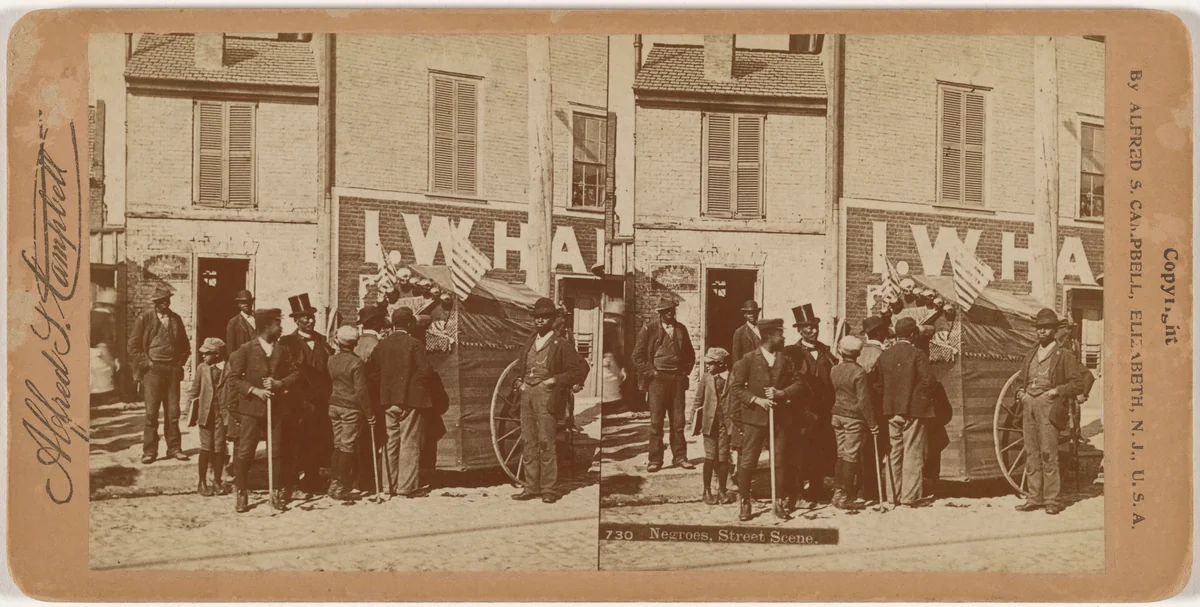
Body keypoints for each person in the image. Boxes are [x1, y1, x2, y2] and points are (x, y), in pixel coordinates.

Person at [510, 298, 590, 503]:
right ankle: (531, 487)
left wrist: (555, 380)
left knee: (546, 442)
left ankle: (548, 489)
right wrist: (519, 383)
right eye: (537, 317)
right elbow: (520, 367)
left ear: (553, 320)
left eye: (545, 317)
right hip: (527, 395)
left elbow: (580, 368)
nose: (540, 321)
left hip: (547, 396)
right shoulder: (529, 342)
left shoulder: (560, 344)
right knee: (528, 442)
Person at [1013, 309, 1087, 515]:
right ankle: (1034, 497)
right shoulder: (1030, 355)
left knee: (1048, 453)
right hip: (1029, 406)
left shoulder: (1064, 355)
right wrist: (1021, 394)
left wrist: (1056, 391)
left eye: (1046, 328)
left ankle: (1052, 500)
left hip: (1049, 406)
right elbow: (1019, 382)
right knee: (1031, 452)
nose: (1041, 331)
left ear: (1055, 331)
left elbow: (1078, 384)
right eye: (1039, 328)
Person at [730, 319, 806, 521]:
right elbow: (736, 388)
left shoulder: (786, 360)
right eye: (781, 334)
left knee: (779, 461)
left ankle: (778, 500)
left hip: (780, 420)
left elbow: (799, 384)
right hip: (754, 419)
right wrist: (757, 400)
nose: (783, 338)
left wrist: (781, 393)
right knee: (748, 461)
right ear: (770, 337)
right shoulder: (747, 360)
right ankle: (745, 501)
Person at [228, 308, 300, 513]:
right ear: (267, 326)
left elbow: (295, 374)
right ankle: (241, 492)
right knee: (246, 450)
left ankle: (275, 491)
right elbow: (234, 379)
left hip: (276, 410)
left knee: (276, 451)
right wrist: (254, 390)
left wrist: (279, 383)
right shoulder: (246, 349)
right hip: (251, 410)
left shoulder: (283, 350)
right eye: (278, 324)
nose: (281, 328)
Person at [367, 307, 435, 497]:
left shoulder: (381, 345)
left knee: (390, 442)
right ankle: (406, 487)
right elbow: (426, 372)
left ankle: (388, 486)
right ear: (410, 323)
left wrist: (383, 388)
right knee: (409, 444)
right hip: (411, 401)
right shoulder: (415, 343)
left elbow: (372, 371)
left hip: (387, 401)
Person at [870, 316, 935, 507]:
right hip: (913, 411)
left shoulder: (884, 355)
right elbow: (929, 381)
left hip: (890, 411)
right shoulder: (918, 354)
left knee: (893, 453)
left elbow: (877, 384)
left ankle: (892, 496)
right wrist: (920, 398)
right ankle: (910, 497)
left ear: (897, 335)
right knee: (912, 453)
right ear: (914, 334)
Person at [128, 286, 192, 464]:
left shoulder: (176, 319)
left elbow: (185, 347)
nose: (166, 303)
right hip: (153, 372)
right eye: (162, 301)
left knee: (173, 413)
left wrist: (179, 364)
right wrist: (147, 364)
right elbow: (133, 347)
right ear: (156, 303)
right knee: (151, 413)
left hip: (172, 370)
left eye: (168, 299)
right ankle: (149, 451)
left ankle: (175, 449)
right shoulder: (145, 319)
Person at [633, 298, 696, 472]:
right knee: (656, 422)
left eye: (672, 310)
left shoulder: (681, 329)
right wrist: (652, 373)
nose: (670, 313)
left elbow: (690, 355)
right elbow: (637, 357)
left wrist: (684, 373)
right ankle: (655, 459)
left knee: (678, 422)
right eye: (666, 311)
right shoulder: (649, 329)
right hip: (657, 382)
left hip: (677, 380)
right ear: (660, 313)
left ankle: (680, 457)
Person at [279, 293, 333, 496]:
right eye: (304, 317)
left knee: (315, 442)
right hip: (295, 403)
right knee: (293, 443)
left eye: (311, 316)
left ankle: (311, 481)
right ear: (295, 320)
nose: (309, 320)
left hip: (319, 403)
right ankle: (289, 483)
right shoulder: (287, 342)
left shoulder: (323, 342)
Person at [786, 303, 837, 503]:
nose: (813, 331)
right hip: (802, 411)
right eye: (808, 328)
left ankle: (816, 488)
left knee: (821, 450)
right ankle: (797, 490)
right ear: (800, 331)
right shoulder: (791, 353)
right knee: (800, 451)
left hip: (824, 411)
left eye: (815, 327)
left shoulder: (825, 351)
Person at [326, 326, 376, 501]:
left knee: (338, 444)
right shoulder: (356, 363)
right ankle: (340, 486)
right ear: (355, 343)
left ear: (338, 341)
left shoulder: (331, 360)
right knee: (347, 446)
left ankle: (333, 484)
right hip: (350, 408)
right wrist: (369, 413)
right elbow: (361, 391)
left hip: (334, 405)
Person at [829, 335, 879, 510]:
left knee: (841, 454)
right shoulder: (859, 372)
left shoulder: (834, 369)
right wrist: (872, 424)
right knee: (851, 456)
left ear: (841, 351)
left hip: (837, 415)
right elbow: (864, 401)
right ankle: (844, 496)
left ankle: (837, 493)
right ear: (858, 354)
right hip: (853, 418)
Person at [689, 348, 737, 505]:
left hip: (726, 425)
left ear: (721, 364)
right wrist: (692, 421)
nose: (707, 366)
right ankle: (707, 490)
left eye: (710, 363)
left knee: (723, 458)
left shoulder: (733, 378)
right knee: (710, 457)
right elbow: (698, 399)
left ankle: (722, 490)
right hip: (709, 424)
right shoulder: (706, 378)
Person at [187, 337, 230, 497]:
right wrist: (189, 411)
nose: (203, 356)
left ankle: (217, 481)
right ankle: (202, 481)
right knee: (206, 448)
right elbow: (194, 390)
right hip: (206, 414)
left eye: (207, 353)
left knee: (219, 449)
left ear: (217, 354)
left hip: (222, 415)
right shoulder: (202, 368)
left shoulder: (229, 368)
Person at [353, 304, 388, 494]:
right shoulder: (376, 345)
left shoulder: (356, 343)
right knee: (373, 440)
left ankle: (359, 480)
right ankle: (370, 480)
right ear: (376, 323)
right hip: (373, 399)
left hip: (354, 399)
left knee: (360, 441)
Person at [225, 289, 257, 354]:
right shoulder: (233, 322)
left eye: (248, 302)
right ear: (238, 304)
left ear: (252, 302)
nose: (246, 304)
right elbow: (230, 348)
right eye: (243, 302)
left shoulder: (259, 319)